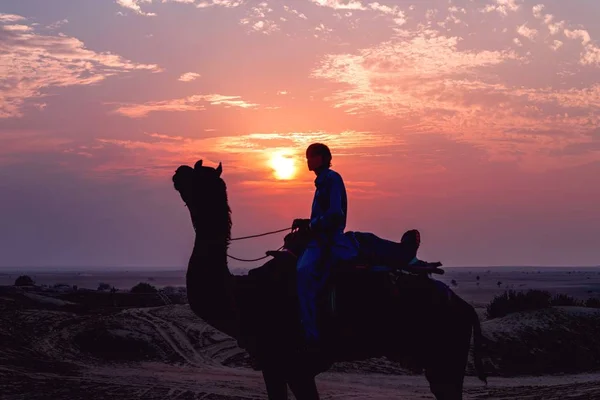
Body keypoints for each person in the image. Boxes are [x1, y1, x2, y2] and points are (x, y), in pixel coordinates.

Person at [292, 143, 358, 346]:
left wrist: (312, 225)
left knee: (303, 272)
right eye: (307, 157)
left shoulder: (331, 179)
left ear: (322, 158)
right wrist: (306, 222)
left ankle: (311, 332)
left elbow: (335, 214)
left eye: (311, 156)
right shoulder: (322, 182)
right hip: (319, 236)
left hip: (327, 239)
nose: (308, 161)